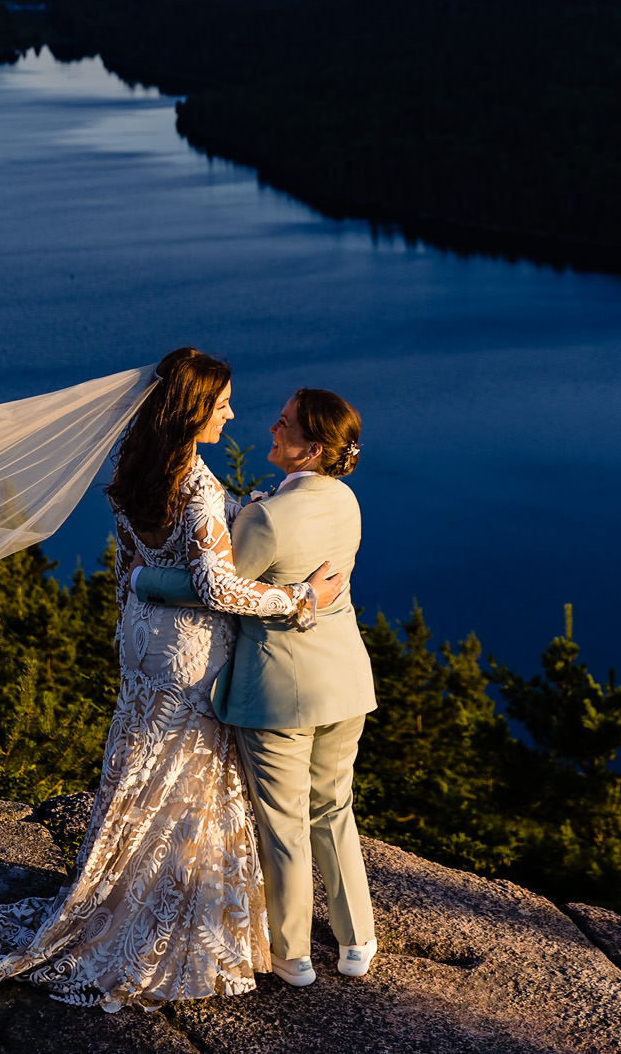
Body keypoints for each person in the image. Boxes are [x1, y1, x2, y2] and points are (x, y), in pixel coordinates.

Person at [0, 348, 346, 1010]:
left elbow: (129, 559)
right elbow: (214, 584)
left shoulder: (137, 463)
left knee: (140, 768)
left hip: (142, 639)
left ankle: (116, 892)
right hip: (189, 653)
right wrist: (300, 601)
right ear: (195, 408)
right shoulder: (199, 485)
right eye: (223, 402)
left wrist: (134, 620)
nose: (233, 412)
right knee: (188, 779)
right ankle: (170, 919)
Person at [132, 387, 378, 986]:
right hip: (345, 681)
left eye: (285, 423)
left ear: (310, 448)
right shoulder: (346, 501)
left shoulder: (269, 517)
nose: (272, 426)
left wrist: (146, 580)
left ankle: (293, 955)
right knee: (334, 809)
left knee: (284, 822)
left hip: (280, 692)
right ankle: (358, 941)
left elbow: (216, 585)